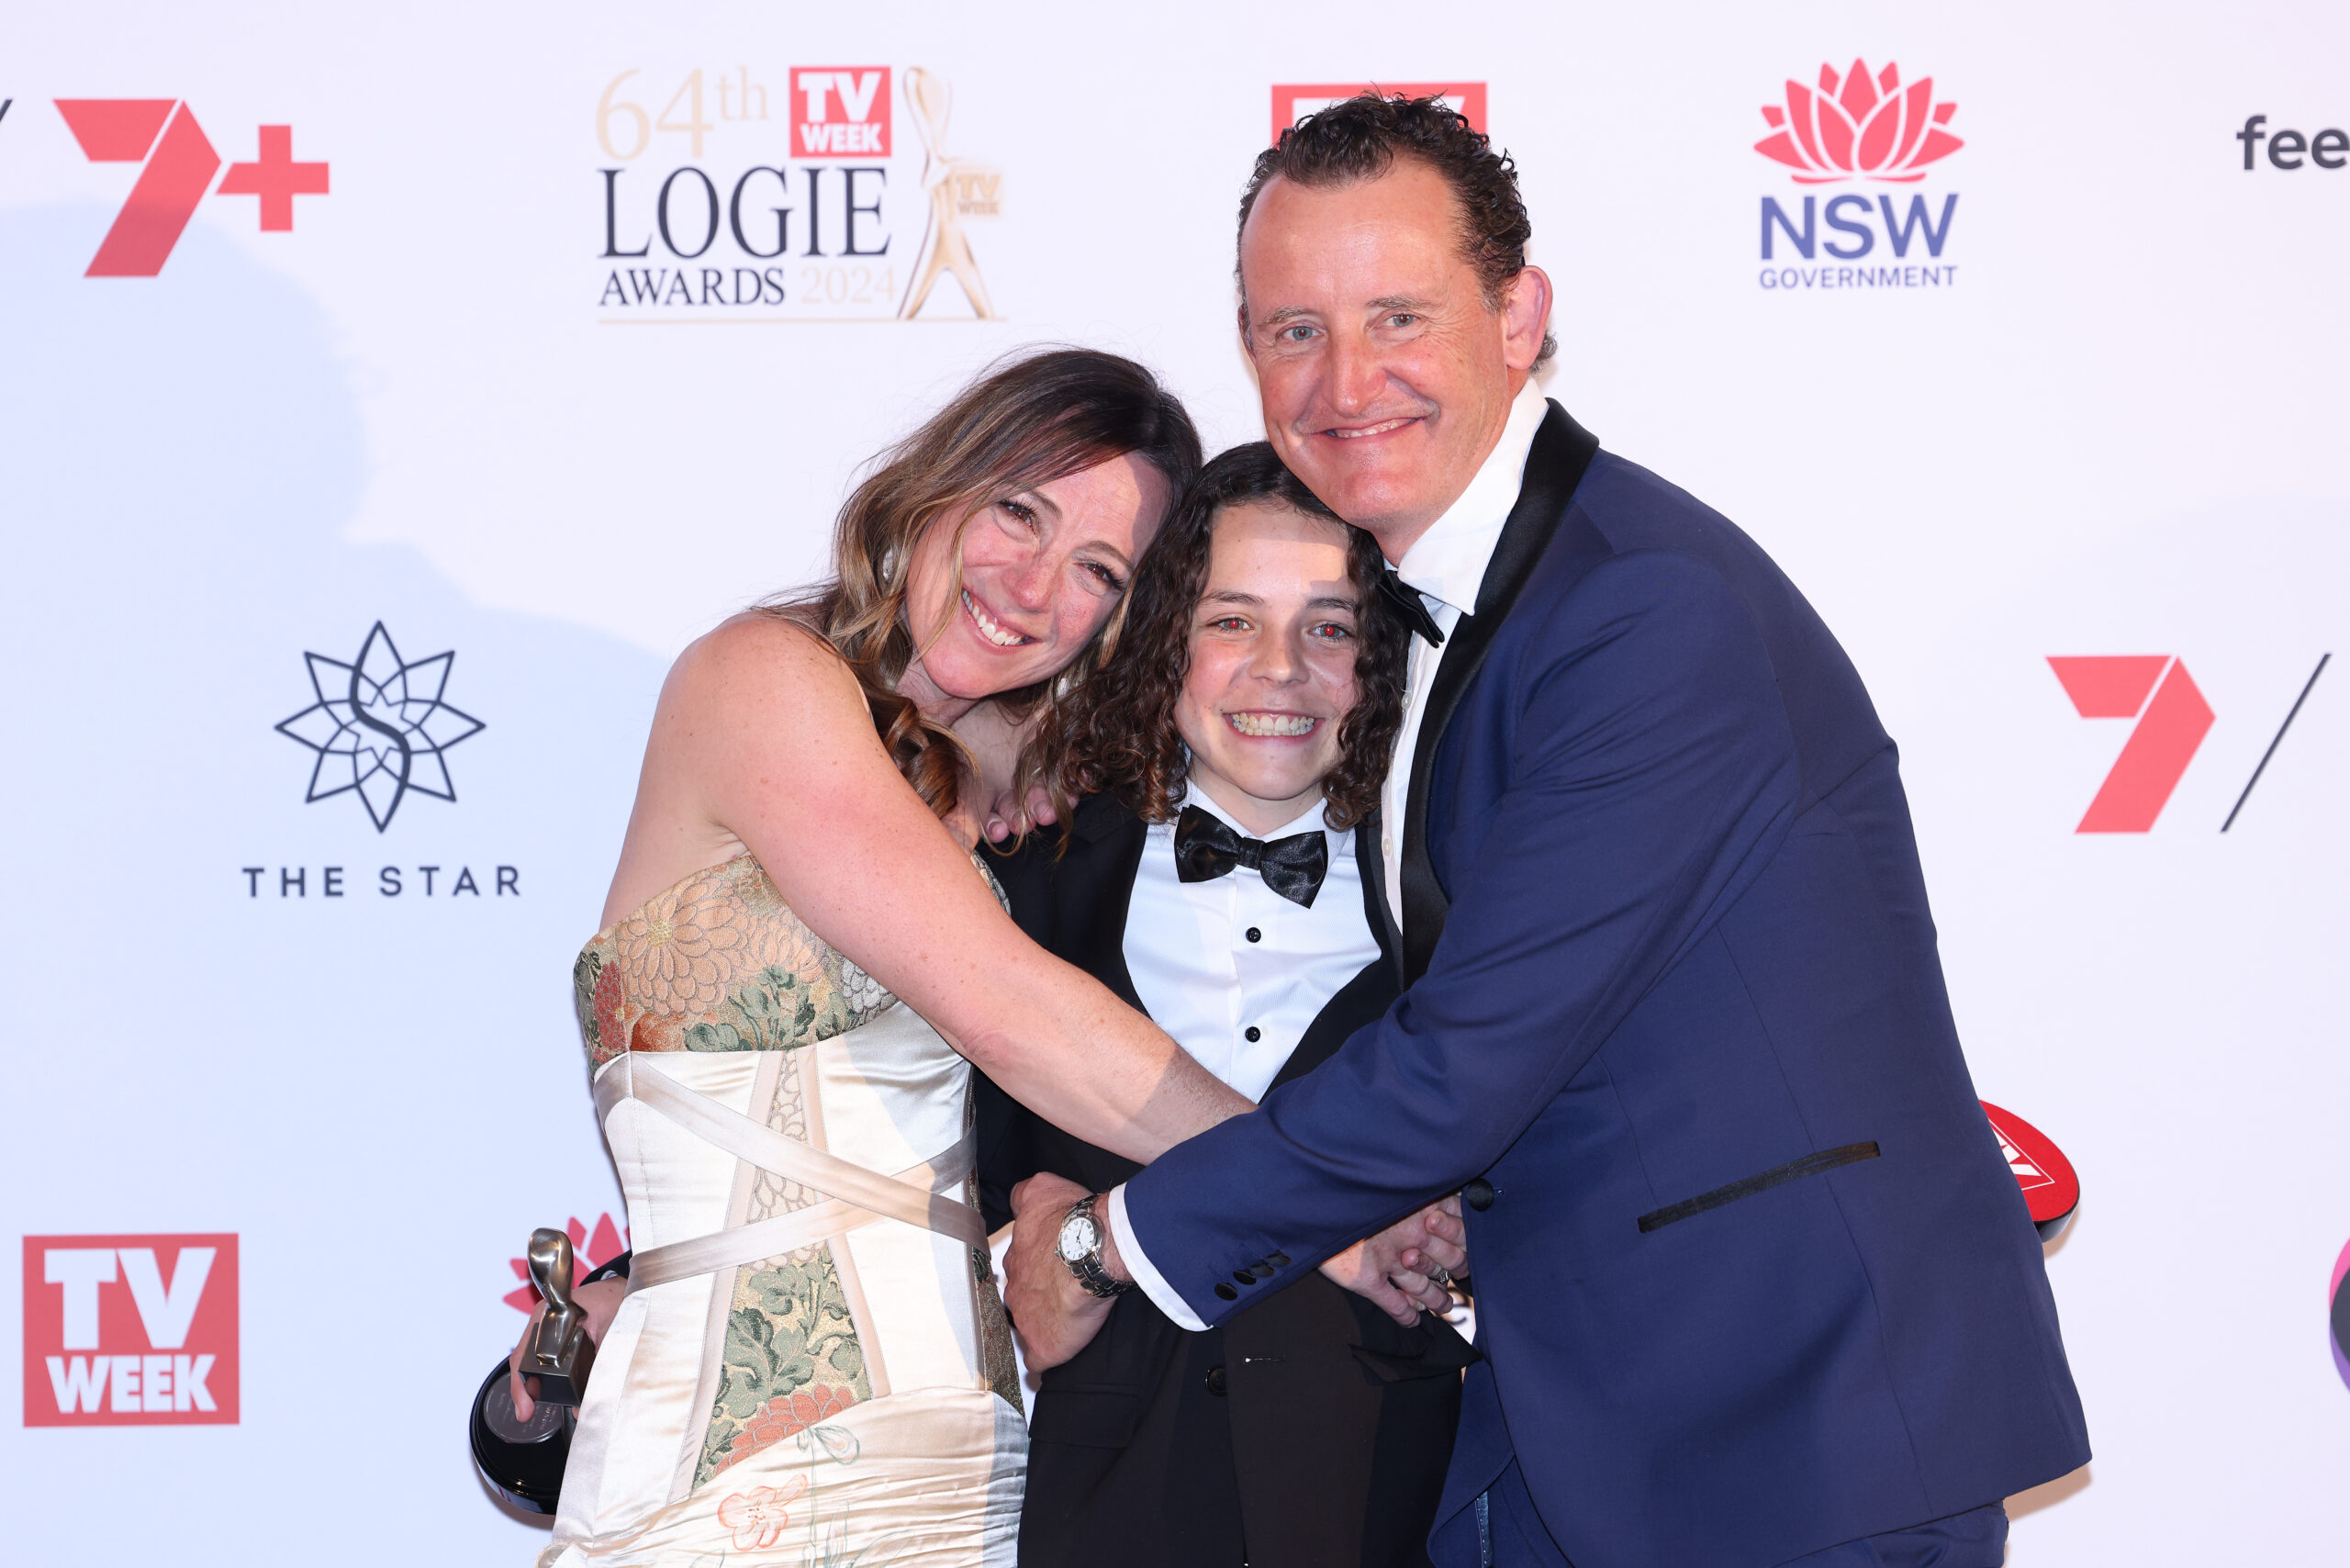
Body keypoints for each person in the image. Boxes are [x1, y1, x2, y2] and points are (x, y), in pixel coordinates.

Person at [1003, 96, 2090, 1568]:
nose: (1346, 379)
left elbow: (1469, 1061)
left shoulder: (1643, 608)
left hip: (1784, 1425)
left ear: (1521, 316)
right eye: (1292, 330)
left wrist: (1108, 1243)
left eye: (1398, 315)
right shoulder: (1447, 616)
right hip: (1571, 1425)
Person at [519, 348, 1459, 1568]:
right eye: (1020, 510)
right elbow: (1020, 1014)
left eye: (1099, 571)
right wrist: (1324, 1205)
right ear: (940, 487)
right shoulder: (757, 680)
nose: (1033, 585)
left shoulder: (1038, 793)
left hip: (968, 1476)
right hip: (726, 1474)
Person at [978, 443, 1473, 1568]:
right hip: (1098, 1513)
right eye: (1232, 620)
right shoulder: (1027, 875)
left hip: (1397, 1510)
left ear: (1381, 656)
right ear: (1165, 642)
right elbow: (940, 1178)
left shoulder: (1461, 900)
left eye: (1331, 626)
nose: (1282, 669)